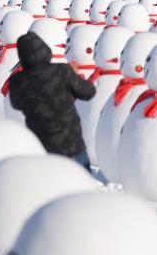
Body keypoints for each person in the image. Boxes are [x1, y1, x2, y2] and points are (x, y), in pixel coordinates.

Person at [7, 32, 96, 170]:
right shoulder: (61, 70)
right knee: (83, 183)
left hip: (42, 146)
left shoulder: (17, 81)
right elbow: (88, 92)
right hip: (72, 143)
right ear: (45, 49)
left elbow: (16, 104)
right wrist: (75, 76)